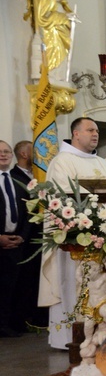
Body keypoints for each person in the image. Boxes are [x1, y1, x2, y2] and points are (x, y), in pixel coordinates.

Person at [41, 117, 106, 349]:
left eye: (97, 131)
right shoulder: (62, 161)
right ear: (76, 134)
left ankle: (99, 334)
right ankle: (71, 339)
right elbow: (62, 199)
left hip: (100, 235)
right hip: (73, 238)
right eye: (90, 129)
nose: (95, 134)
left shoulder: (101, 162)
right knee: (72, 284)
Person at [13, 140, 48, 331]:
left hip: (42, 234)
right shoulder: (13, 177)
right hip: (26, 236)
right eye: (34, 151)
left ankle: (39, 316)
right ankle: (23, 317)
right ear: (24, 154)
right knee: (25, 280)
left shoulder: (39, 175)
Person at [0, 140, 30, 337]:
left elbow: (28, 212)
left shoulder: (16, 181)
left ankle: (9, 323)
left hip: (16, 242)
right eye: (0, 152)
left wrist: (22, 236)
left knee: (12, 286)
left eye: (7, 151)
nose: (3, 155)